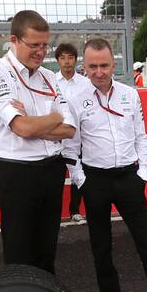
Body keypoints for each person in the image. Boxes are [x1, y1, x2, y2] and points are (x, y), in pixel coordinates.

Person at [74, 37, 147, 292]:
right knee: (101, 248)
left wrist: (143, 173)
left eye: (104, 65)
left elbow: (142, 135)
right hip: (96, 181)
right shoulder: (75, 100)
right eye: (93, 66)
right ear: (85, 66)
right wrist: (82, 181)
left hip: (129, 178)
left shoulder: (130, 94)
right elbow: (71, 148)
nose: (99, 72)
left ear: (113, 64)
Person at [0, 10, 75, 275]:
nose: (41, 52)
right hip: (18, 173)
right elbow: (21, 127)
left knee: (47, 251)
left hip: (52, 169)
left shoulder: (48, 76)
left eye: (45, 45)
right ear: (14, 40)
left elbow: (68, 129)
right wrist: (51, 117)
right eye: (34, 45)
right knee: (20, 254)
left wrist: (36, 123)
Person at [53, 41, 93, 224]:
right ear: (57, 61)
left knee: (80, 175)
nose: (67, 62)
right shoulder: (51, 82)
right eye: (62, 58)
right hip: (56, 139)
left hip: (80, 138)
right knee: (55, 178)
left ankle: (75, 211)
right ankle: (52, 215)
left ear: (76, 61)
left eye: (70, 57)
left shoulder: (86, 83)